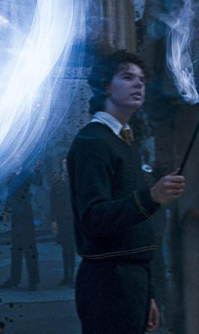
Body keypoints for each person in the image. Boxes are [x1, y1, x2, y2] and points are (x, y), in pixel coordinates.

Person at [67, 50, 185, 334]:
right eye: (128, 77)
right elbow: (93, 218)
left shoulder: (124, 143)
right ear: (106, 86)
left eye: (142, 79)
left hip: (131, 280)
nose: (139, 84)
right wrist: (151, 196)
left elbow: (136, 228)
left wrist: (148, 294)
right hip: (108, 283)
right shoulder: (93, 142)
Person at [0, 160, 42, 291]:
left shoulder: (26, 173)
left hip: (26, 214)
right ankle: (14, 279)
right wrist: (6, 210)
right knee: (16, 248)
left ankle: (33, 280)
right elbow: (9, 193)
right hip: (16, 216)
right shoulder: (11, 175)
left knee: (29, 247)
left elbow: (38, 182)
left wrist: (38, 170)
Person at [49, 158, 75, 286]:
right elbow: (53, 202)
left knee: (72, 248)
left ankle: (71, 276)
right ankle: (66, 276)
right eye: (64, 163)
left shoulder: (75, 182)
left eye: (67, 163)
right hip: (62, 219)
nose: (66, 165)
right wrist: (53, 220)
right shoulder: (58, 183)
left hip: (73, 219)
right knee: (65, 248)